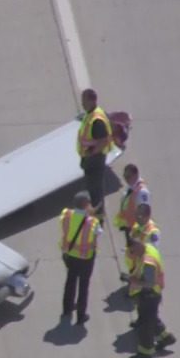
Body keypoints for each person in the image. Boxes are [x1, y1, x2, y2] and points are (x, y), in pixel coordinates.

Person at [126, 240, 176, 358]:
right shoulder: (148, 248)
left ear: (138, 245)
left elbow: (149, 282)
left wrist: (133, 281)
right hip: (153, 294)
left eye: (133, 250)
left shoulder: (147, 262)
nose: (133, 254)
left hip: (149, 295)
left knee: (145, 326)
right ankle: (166, 338)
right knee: (151, 318)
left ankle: (145, 353)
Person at [59, 190, 102, 325]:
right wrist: (92, 214)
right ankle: (81, 316)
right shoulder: (92, 222)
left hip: (70, 255)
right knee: (84, 287)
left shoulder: (66, 215)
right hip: (86, 258)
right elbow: (99, 232)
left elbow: (65, 221)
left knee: (70, 282)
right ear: (86, 204)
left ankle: (67, 309)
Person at [76, 88, 116, 216]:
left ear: (91, 101)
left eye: (84, 101)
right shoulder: (93, 113)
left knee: (94, 188)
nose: (82, 103)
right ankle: (94, 211)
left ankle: (97, 214)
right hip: (92, 158)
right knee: (92, 186)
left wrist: (91, 153)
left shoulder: (97, 120)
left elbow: (103, 140)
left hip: (95, 159)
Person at [122, 202, 161, 281]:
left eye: (139, 216)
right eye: (136, 214)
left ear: (147, 216)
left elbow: (152, 250)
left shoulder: (153, 232)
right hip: (134, 264)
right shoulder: (137, 225)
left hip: (142, 266)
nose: (137, 217)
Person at [113, 163, 150, 238]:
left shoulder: (142, 192)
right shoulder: (132, 187)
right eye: (125, 176)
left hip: (136, 229)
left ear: (135, 175)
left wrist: (138, 231)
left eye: (128, 177)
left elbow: (145, 213)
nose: (126, 179)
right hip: (129, 225)